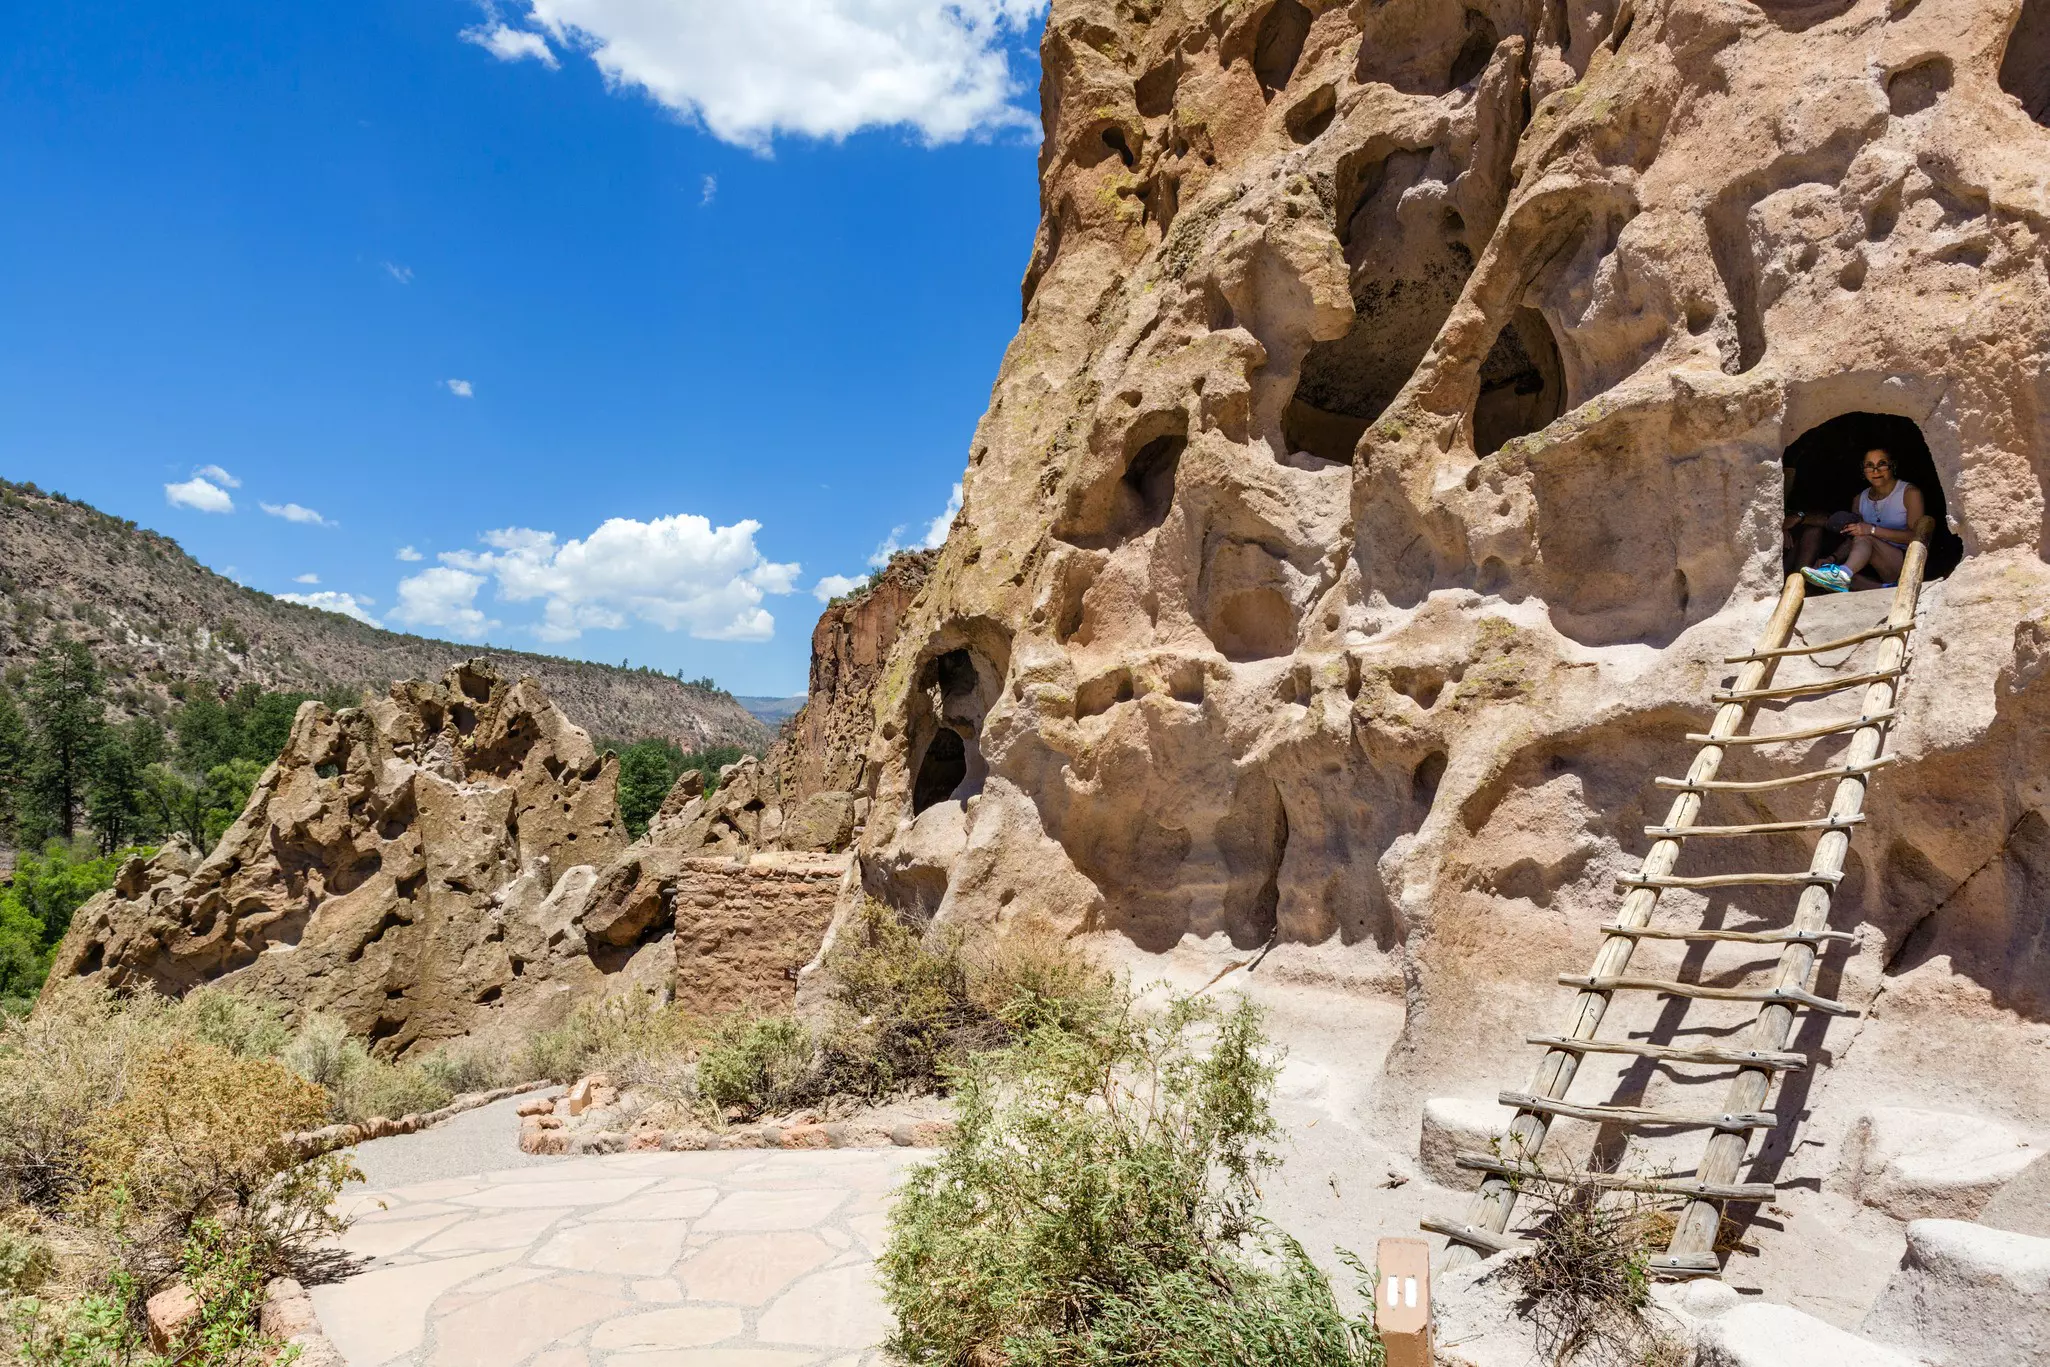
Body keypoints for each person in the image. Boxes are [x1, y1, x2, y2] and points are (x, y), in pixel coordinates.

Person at [1793, 446, 1924, 592]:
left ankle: (1843, 574)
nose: (1876, 471)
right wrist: (1832, 559)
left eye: (1882, 463)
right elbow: (1854, 537)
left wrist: (1872, 530)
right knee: (1832, 573)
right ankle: (1885, 588)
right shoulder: (1859, 499)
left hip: (1902, 562)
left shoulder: (1909, 493)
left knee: (1864, 538)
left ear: (1892, 466)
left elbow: (1916, 537)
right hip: (1871, 564)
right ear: (1863, 470)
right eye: (1869, 465)